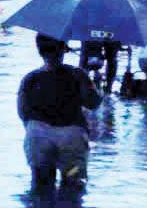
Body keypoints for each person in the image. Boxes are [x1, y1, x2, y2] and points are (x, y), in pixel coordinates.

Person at [18, 34, 102, 192]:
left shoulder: (30, 78)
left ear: (39, 51)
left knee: (40, 186)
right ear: (64, 48)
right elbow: (93, 103)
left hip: (38, 136)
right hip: (72, 138)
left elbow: (23, 112)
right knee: (73, 184)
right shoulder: (77, 75)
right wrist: (95, 85)